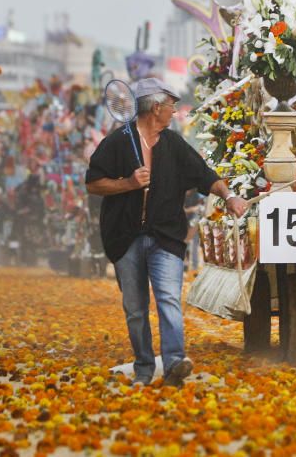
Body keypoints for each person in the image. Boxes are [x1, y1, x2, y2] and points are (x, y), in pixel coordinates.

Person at [85, 77, 248, 386]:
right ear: (155, 107)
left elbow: (204, 174)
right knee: (135, 309)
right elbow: (93, 183)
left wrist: (229, 196)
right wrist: (128, 184)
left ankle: (174, 363)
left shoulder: (173, 143)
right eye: (171, 104)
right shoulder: (119, 142)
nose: (174, 110)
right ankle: (144, 367)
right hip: (125, 238)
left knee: (169, 300)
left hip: (166, 237)